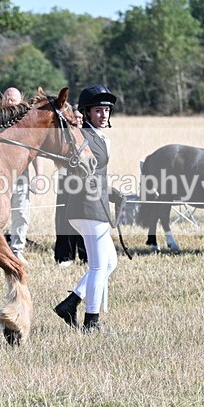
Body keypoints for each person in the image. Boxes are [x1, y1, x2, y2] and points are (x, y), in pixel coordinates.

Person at [53, 85, 119, 332]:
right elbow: (77, 172)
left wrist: (114, 193)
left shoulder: (102, 138)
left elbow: (98, 177)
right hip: (87, 208)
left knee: (110, 263)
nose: (103, 115)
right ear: (87, 113)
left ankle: (71, 303)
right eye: (98, 111)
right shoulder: (81, 136)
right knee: (99, 266)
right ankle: (92, 322)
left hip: (96, 206)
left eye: (106, 110)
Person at [1, 87, 44, 263]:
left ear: (21, 102)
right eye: (8, 98)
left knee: (21, 213)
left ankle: (17, 250)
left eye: (14, 100)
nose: (10, 102)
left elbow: (35, 151)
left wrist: (39, 175)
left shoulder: (27, 124)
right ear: (3, 99)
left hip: (20, 176)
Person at [53, 108, 88, 267]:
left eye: (81, 117)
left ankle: (85, 255)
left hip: (85, 182)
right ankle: (65, 256)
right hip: (66, 179)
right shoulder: (64, 137)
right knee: (64, 217)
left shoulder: (89, 137)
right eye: (76, 118)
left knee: (84, 217)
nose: (79, 120)